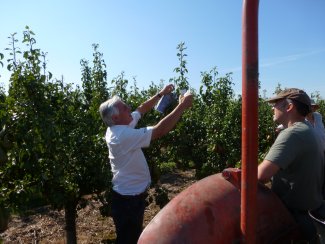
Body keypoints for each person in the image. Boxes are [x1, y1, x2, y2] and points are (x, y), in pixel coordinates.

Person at [99, 84, 193, 244]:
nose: (129, 108)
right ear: (115, 117)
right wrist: (182, 106)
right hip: (128, 202)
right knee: (129, 240)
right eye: (124, 108)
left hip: (129, 197)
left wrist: (160, 94)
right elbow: (159, 130)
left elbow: (141, 109)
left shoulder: (119, 126)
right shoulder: (121, 136)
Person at [257, 88, 325, 242]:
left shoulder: (292, 134)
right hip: (310, 213)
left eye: (276, 104)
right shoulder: (309, 130)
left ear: (289, 107)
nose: (272, 108)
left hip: (294, 218)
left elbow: (262, 175)